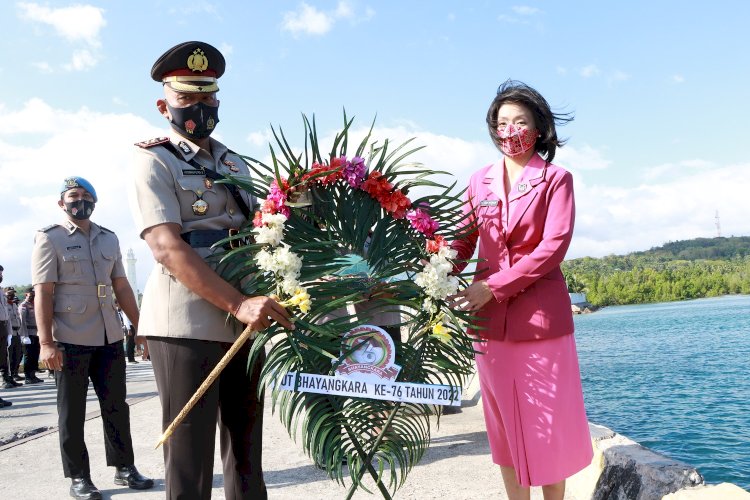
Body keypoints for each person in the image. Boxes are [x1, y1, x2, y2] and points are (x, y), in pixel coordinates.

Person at [130, 41, 293, 500]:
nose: (200, 107)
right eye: (188, 98)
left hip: (245, 320)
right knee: (190, 461)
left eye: (208, 97)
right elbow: (166, 247)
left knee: (246, 456)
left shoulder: (232, 162)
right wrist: (238, 303)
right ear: (164, 105)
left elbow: (262, 231)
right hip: (187, 321)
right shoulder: (153, 159)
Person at [449, 80, 593, 500]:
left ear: (539, 128)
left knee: (546, 427)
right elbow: (462, 242)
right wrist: (433, 268)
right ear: (493, 129)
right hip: (488, 326)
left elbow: (553, 247)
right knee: (504, 429)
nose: (510, 131)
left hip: (540, 323)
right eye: (502, 122)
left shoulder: (555, 180)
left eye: (520, 122)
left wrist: (492, 287)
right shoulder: (479, 182)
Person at [32, 176, 154, 500]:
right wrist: (46, 343)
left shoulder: (109, 238)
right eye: (73, 195)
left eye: (85, 195)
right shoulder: (50, 238)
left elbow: (122, 287)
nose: (79, 200)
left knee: (116, 406)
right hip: (69, 338)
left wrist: (139, 327)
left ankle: (124, 468)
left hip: (109, 335)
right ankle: (78, 477)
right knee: (71, 413)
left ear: (94, 202)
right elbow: (42, 292)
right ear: (62, 203)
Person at [19, 290, 43, 383]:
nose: (32, 296)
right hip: (28, 333)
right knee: (28, 356)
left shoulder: (35, 305)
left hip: (36, 333)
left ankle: (33, 375)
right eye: (30, 295)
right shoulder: (23, 306)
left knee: (35, 355)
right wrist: (24, 336)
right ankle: (28, 376)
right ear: (26, 295)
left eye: (34, 295)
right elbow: (22, 321)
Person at [0, 265, 15, 406]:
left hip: (3, 328)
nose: (1, 275)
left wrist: (9, 332)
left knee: (3, 359)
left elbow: (7, 316)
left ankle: (5, 380)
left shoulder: (1, 292)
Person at [5, 288, 24, 381]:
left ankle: (14, 374)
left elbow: (18, 319)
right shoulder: (4, 305)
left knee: (18, 354)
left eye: (12, 294)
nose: (11, 296)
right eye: (9, 294)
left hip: (17, 332)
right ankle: (9, 376)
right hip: (9, 333)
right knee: (9, 356)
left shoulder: (14, 305)